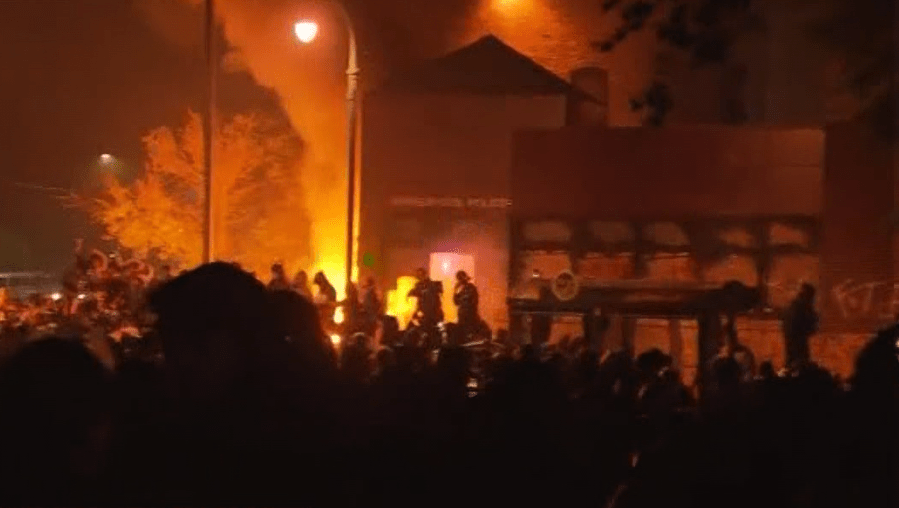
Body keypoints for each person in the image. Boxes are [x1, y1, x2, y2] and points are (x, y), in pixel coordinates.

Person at [782, 283, 819, 369]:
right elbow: (810, 327)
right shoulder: (802, 308)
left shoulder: (791, 307)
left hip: (792, 350)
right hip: (799, 350)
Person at [453, 270, 487, 340]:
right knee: (461, 336)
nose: (460, 281)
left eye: (461, 278)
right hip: (462, 317)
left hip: (470, 318)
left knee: (470, 336)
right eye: (459, 279)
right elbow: (456, 302)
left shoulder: (472, 288)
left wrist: (470, 312)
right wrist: (455, 291)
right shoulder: (461, 290)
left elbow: (474, 302)